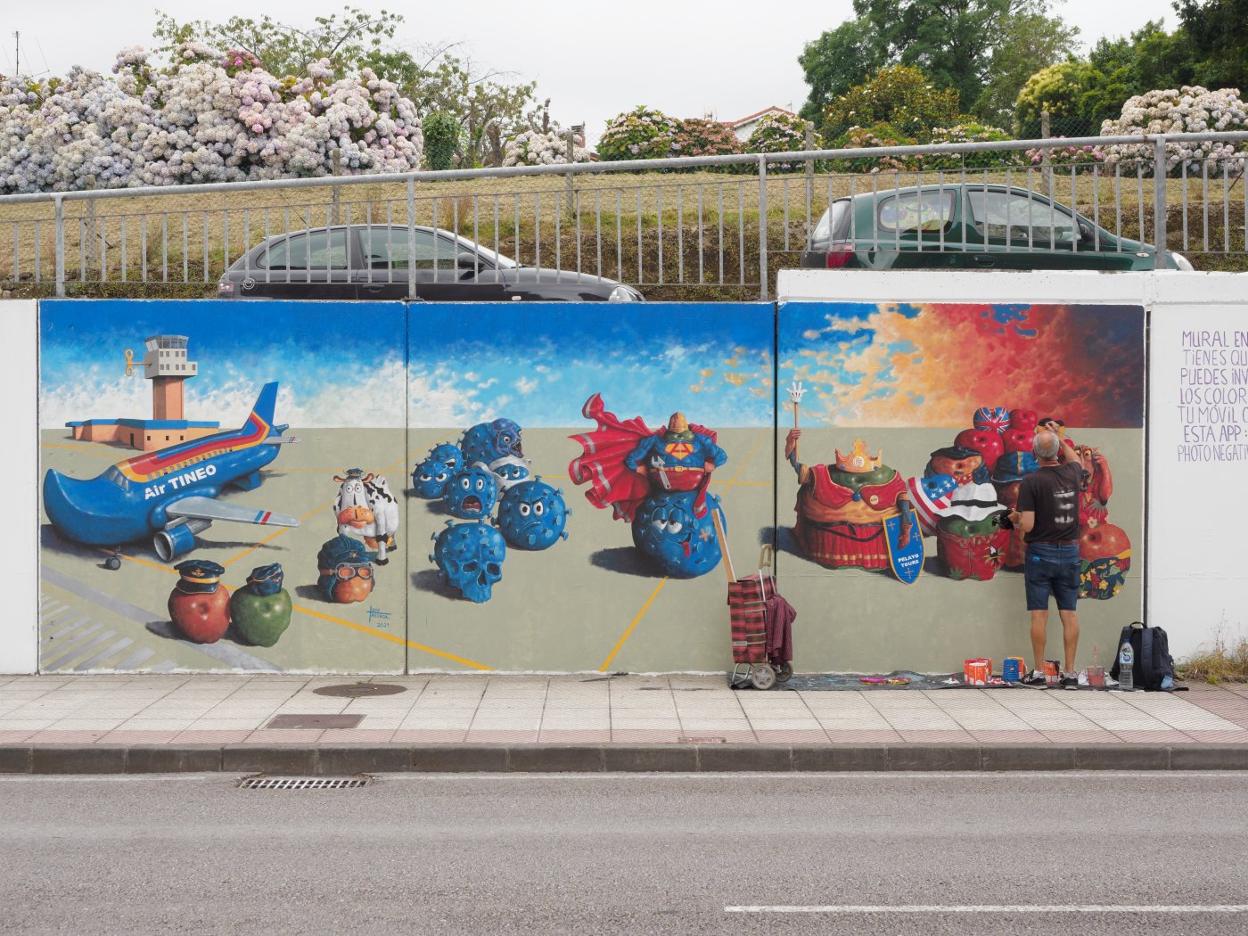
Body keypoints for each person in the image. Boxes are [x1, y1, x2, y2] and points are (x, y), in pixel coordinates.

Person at [1007, 428, 1088, 688]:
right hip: (1070, 551)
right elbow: (1076, 459)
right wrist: (1057, 438)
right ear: (1058, 452)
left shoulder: (1032, 482)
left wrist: (1015, 518)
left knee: (1039, 615)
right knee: (1069, 614)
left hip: (1041, 553)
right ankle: (1071, 672)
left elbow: (1028, 525)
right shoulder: (1073, 473)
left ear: (1033, 454)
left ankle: (1041, 671)